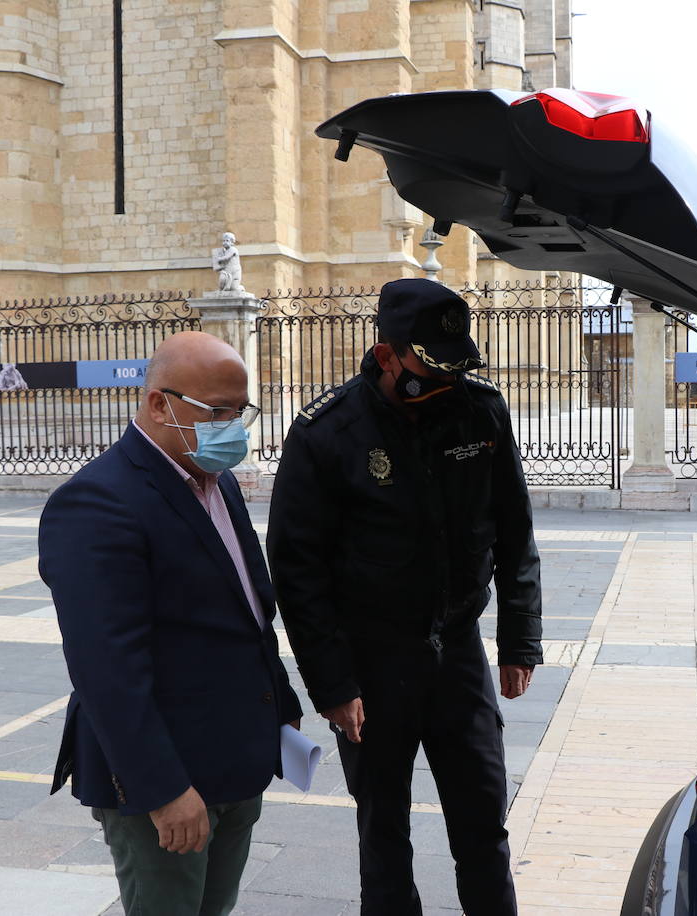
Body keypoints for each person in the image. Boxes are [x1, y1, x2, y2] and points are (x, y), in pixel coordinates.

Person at [267, 278, 543, 915]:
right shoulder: (326, 433)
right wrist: (333, 685)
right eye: (429, 366)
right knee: (383, 831)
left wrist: (519, 638)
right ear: (386, 354)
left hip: (459, 655)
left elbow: (513, 529)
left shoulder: (481, 411)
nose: (444, 381)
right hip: (373, 661)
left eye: (454, 367)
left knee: (483, 822)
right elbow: (297, 570)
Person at [40, 331, 301, 916]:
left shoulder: (218, 481)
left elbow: (249, 611)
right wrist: (162, 790)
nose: (235, 426)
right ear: (159, 403)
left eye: (242, 411)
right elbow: (106, 669)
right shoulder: (97, 503)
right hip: (169, 780)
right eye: (218, 412)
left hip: (236, 759)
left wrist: (279, 712)